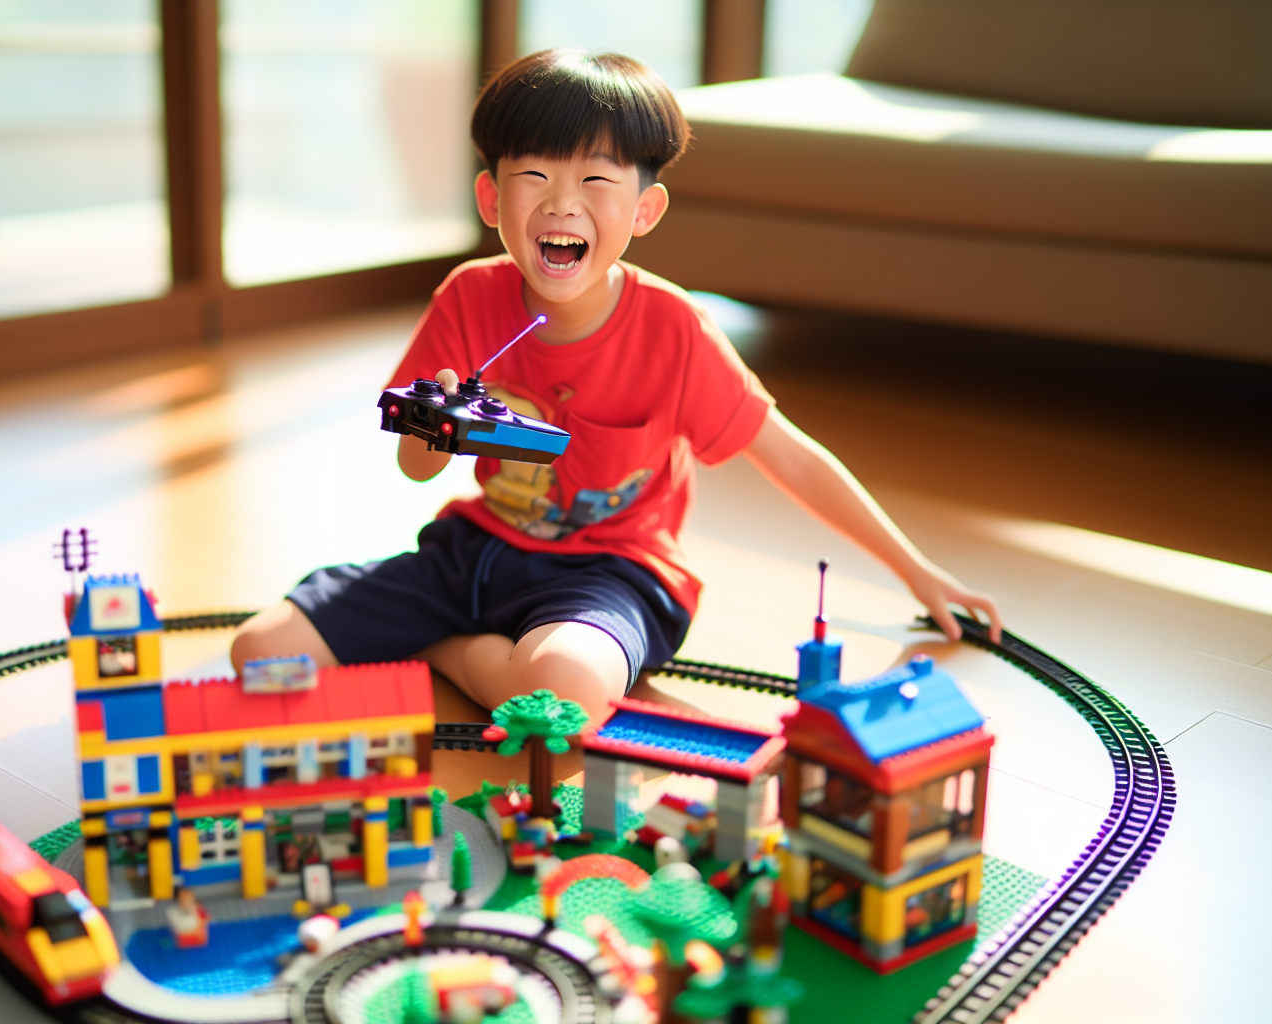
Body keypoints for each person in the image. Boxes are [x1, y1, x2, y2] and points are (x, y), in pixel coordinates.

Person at [232, 49, 1000, 723]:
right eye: (533, 174)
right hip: (475, 552)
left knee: (560, 693)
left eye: (595, 180)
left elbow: (792, 458)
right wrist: (438, 428)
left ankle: (447, 651)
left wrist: (917, 572)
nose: (562, 202)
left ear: (643, 210)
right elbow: (415, 465)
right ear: (492, 199)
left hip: (613, 577)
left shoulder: (675, 328)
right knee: (262, 652)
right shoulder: (468, 296)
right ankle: (461, 638)